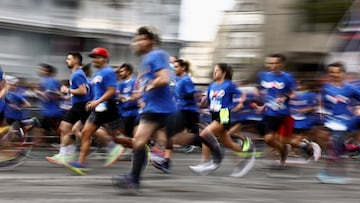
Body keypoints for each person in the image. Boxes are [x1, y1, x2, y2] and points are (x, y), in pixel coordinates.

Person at [112, 26, 178, 192]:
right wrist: (143, 97)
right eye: (136, 40)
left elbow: (164, 78)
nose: (136, 43)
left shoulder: (157, 55)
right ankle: (134, 180)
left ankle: (216, 136)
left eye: (140, 40)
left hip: (165, 109)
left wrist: (150, 85)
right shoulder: (147, 59)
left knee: (194, 135)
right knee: (139, 141)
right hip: (151, 109)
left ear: (151, 41)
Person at [65, 47, 126, 173]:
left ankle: (139, 145)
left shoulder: (108, 72)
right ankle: (81, 163)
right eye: (92, 57)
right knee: (86, 132)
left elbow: (111, 91)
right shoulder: (96, 74)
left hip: (109, 107)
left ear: (104, 58)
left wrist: (98, 101)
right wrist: (93, 101)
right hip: (98, 107)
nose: (94, 59)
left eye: (96, 57)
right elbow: (98, 91)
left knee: (118, 138)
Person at [188, 63, 254, 177]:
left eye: (217, 71)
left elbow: (242, 93)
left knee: (205, 134)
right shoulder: (212, 86)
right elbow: (206, 100)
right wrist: (200, 102)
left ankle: (211, 161)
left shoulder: (229, 85)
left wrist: (241, 103)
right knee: (228, 144)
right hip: (213, 114)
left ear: (223, 73)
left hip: (224, 114)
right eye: (214, 71)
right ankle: (248, 151)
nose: (214, 73)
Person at [151, 59, 202, 173]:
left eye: (176, 67)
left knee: (195, 137)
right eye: (173, 67)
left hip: (189, 111)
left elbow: (191, 94)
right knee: (171, 134)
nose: (174, 69)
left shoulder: (186, 79)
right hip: (179, 111)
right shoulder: (175, 80)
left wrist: (195, 94)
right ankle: (166, 161)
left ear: (183, 68)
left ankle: (211, 145)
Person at [317, 62, 360, 184]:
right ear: (328, 73)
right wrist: (322, 118)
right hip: (331, 122)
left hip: (345, 122)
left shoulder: (350, 88)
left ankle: (326, 173)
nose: (335, 75)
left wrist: (358, 108)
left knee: (335, 147)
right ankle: (355, 149)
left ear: (343, 73)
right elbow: (322, 105)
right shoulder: (326, 88)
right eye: (332, 72)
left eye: (337, 72)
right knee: (335, 148)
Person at [46, 52, 91, 164]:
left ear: (76, 60)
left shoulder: (77, 74)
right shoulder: (76, 74)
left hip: (82, 106)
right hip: (77, 105)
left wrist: (67, 90)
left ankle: (111, 144)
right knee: (64, 127)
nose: (66, 60)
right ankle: (65, 155)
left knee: (94, 130)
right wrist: (66, 94)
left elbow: (83, 91)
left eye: (69, 59)